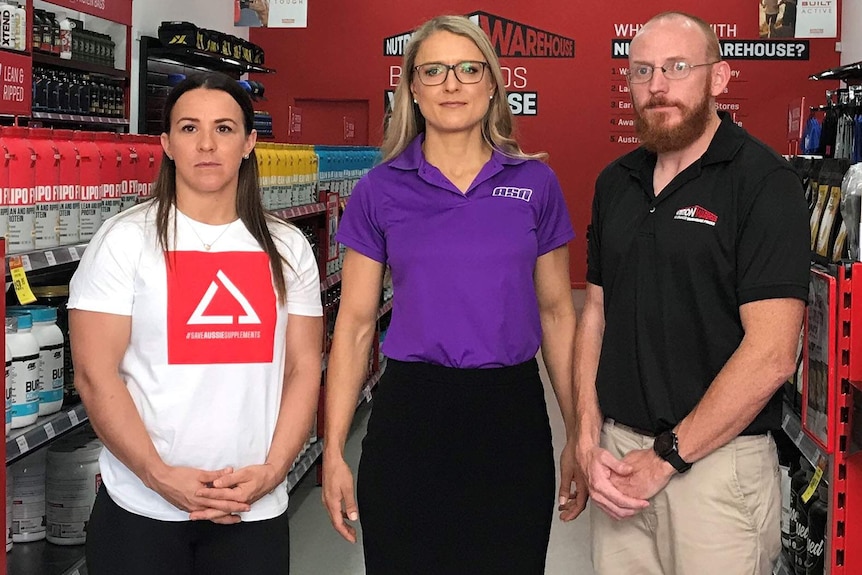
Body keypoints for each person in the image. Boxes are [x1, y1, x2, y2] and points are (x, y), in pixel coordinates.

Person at [321, 14, 586, 575]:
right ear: (412, 89)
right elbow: (356, 325)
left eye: (468, 69)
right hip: (411, 417)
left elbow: (559, 314)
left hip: (510, 415)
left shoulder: (535, 185)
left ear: (492, 83)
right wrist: (334, 448)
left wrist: (578, 435)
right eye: (433, 70)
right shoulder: (380, 189)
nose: (451, 84)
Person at [574, 11, 809, 575]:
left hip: (717, 469)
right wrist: (585, 435)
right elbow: (596, 313)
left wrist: (668, 456)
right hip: (620, 462)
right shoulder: (615, 183)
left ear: (719, 78)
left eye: (678, 68)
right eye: (642, 71)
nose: (658, 86)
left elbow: (774, 352)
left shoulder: (762, 182)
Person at [68, 72, 323, 575]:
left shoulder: (287, 247)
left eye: (225, 128)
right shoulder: (124, 240)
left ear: (250, 143)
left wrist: (272, 472)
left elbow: (303, 367)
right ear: (166, 143)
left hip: (251, 508)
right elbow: (95, 375)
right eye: (189, 128)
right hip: (143, 510)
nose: (207, 144)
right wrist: (158, 475)